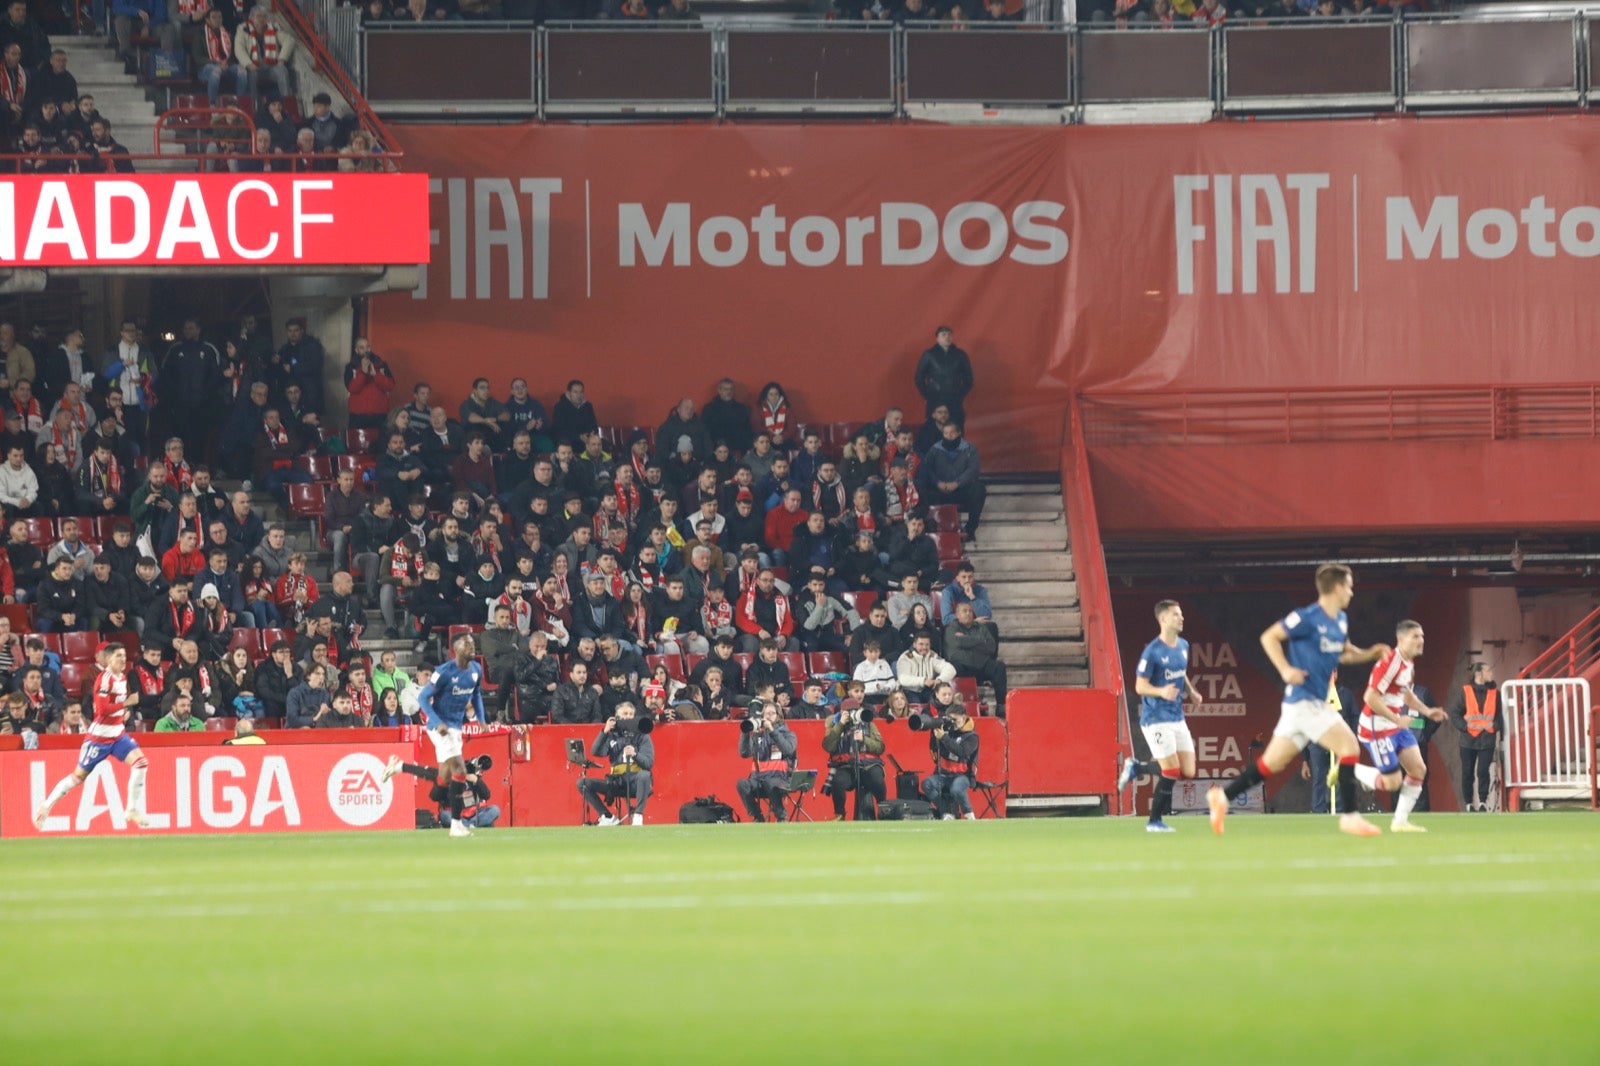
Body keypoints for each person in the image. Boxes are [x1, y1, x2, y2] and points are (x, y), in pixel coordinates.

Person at [1207, 565, 1390, 837]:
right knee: (1349, 745)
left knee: (1271, 764)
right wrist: (1285, 670)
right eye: (1349, 586)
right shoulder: (1306, 617)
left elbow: (1345, 655)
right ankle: (1350, 817)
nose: (1352, 592)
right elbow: (1269, 637)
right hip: (1306, 702)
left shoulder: (1340, 620)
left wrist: (1370, 653)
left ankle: (1222, 797)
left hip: (1305, 706)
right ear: (1338, 588)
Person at [35, 642, 151, 830]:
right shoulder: (104, 679)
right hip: (99, 738)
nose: (123, 659)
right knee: (78, 777)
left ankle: (131, 809)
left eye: (124, 655)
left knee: (141, 763)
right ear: (108, 660)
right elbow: (102, 709)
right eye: (118, 656)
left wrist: (123, 713)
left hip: (117, 735)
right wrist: (125, 704)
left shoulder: (121, 677)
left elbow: (115, 707)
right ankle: (46, 805)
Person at [1350, 620, 1447, 831]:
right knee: (1392, 783)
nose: (1421, 640)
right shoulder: (1389, 663)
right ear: (1401, 640)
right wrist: (1396, 720)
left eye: (1422, 636)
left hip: (1394, 726)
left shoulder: (1408, 663)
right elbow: (1370, 697)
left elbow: (1406, 694)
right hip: (1376, 728)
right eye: (1415, 636)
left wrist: (1427, 711)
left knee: (1418, 769)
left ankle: (1400, 822)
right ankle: (1350, 770)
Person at [1116, 599, 1202, 833]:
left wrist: (1191, 691)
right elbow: (1140, 686)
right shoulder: (1152, 651)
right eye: (1176, 614)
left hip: (1177, 717)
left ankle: (1137, 768)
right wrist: (1161, 691)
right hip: (1155, 718)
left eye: (1181, 613)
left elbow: (1181, 673)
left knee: (1188, 772)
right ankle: (1154, 821)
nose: (1181, 618)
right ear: (1163, 619)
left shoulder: (1184, 645)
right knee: (1171, 771)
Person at [413, 634, 486, 837]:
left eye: (473, 642)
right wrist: (437, 722)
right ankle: (456, 824)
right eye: (467, 643)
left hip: (455, 728)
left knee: (445, 776)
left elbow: (477, 694)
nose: (472, 645)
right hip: (439, 728)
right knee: (460, 769)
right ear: (456, 649)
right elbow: (423, 697)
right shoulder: (444, 672)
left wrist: (481, 718)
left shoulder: (476, 670)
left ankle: (402, 768)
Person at [577, 701, 654, 826]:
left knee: (645, 775)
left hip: (635, 782)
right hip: (616, 782)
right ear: (616, 717)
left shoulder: (642, 736)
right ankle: (607, 817)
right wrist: (605, 731)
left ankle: (638, 816)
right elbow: (596, 751)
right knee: (583, 783)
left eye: (631, 714)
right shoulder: (612, 735)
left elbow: (648, 763)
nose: (628, 716)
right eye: (625, 713)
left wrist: (635, 755)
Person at [918, 421, 987, 541]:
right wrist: (937, 482)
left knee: (979, 489)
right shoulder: (934, 450)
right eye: (946, 433)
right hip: (941, 490)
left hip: (961, 490)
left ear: (959, 433)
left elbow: (973, 469)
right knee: (923, 491)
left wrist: (957, 483)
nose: (949, 436)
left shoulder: (970, 448)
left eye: (952, 433)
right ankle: (934, 530)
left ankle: (970, 529)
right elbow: (927, 468)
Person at [1448, 660, 1501, 812]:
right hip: (1468, 740)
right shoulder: (1465, 692)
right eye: (1488, 671)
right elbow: (1455, 713)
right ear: (1478, 674)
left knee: (1483, 772)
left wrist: (1495, 726)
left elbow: (1499, 716)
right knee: (1467, 772)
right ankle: (1469, 803)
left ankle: (1483, 802)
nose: (1491, 673)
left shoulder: (1495, 694)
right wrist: (1464, 727)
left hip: (1487, 740)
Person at [736, 701, 798, 822]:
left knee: (770, 782)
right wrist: (745, 733)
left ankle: (781, 816)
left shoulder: (789, 735)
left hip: (781, 780)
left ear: (778, 716)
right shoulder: (758, 736)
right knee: (742, 784)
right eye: (765, 714)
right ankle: (757, 817)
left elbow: (788, 749)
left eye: (771, 713)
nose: (768, 716)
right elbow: (744, 753)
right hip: (759, 780)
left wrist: (772, 730)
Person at [823, 705, 885, 820]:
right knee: (838, 782)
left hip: (868, 764)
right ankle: (839, 814)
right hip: (846, 765)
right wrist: (840, 725)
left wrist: (864, 739)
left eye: (855, 711)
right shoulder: (835, 724)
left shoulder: (868, 723)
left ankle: (884, 810)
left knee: (877, 778)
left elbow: (880, 747)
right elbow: (828, 746)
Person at [921, 703, 979, 820]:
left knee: (956, 789)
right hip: (943, 774)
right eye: (950, 719)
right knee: (926, 784)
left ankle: (969, 813)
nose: (952, 722)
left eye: (955, 719)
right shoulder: (947, 731)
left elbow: (962, 753)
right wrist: (934, 736)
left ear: (963, 717)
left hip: (963, 775)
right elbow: (939, 752)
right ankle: (946, 812)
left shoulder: (972, 736)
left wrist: (944, 738)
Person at [913, 325, 974, 423]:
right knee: (933, 430)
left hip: (955, 400)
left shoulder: (960, 355)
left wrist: (960, 395)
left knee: (956, 428)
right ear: (937, 338)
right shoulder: (929, 355)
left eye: (949, 334)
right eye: (943, 334)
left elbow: (969, 379)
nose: (947, 337)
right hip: (935, 400)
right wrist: (928, 396)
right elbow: (918, 378)